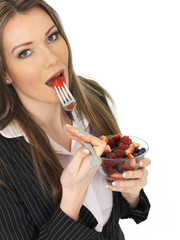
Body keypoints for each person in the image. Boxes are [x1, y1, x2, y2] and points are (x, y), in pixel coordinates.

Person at [0, 0, 151, 239]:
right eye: (25, 52)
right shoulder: (4, 161)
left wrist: (130, 192)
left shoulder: (93, 99)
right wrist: (71, 200)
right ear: (5, 73)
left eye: (51, 37)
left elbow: (111, 213)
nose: (52, 58)